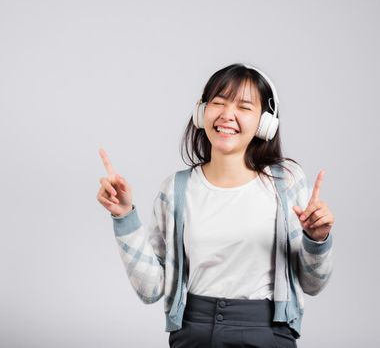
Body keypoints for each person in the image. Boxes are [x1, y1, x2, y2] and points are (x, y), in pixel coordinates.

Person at [96, 63, 335, 348]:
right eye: (218, 103)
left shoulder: (287, 184)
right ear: (201, 112)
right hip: (193, 332)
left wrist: (316, 239)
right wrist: (123, 216)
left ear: (265, 122)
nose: (227, 115)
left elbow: (313, 284)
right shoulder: (176, 189)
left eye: (244, 107)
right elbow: (150, 289)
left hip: (268, 332)